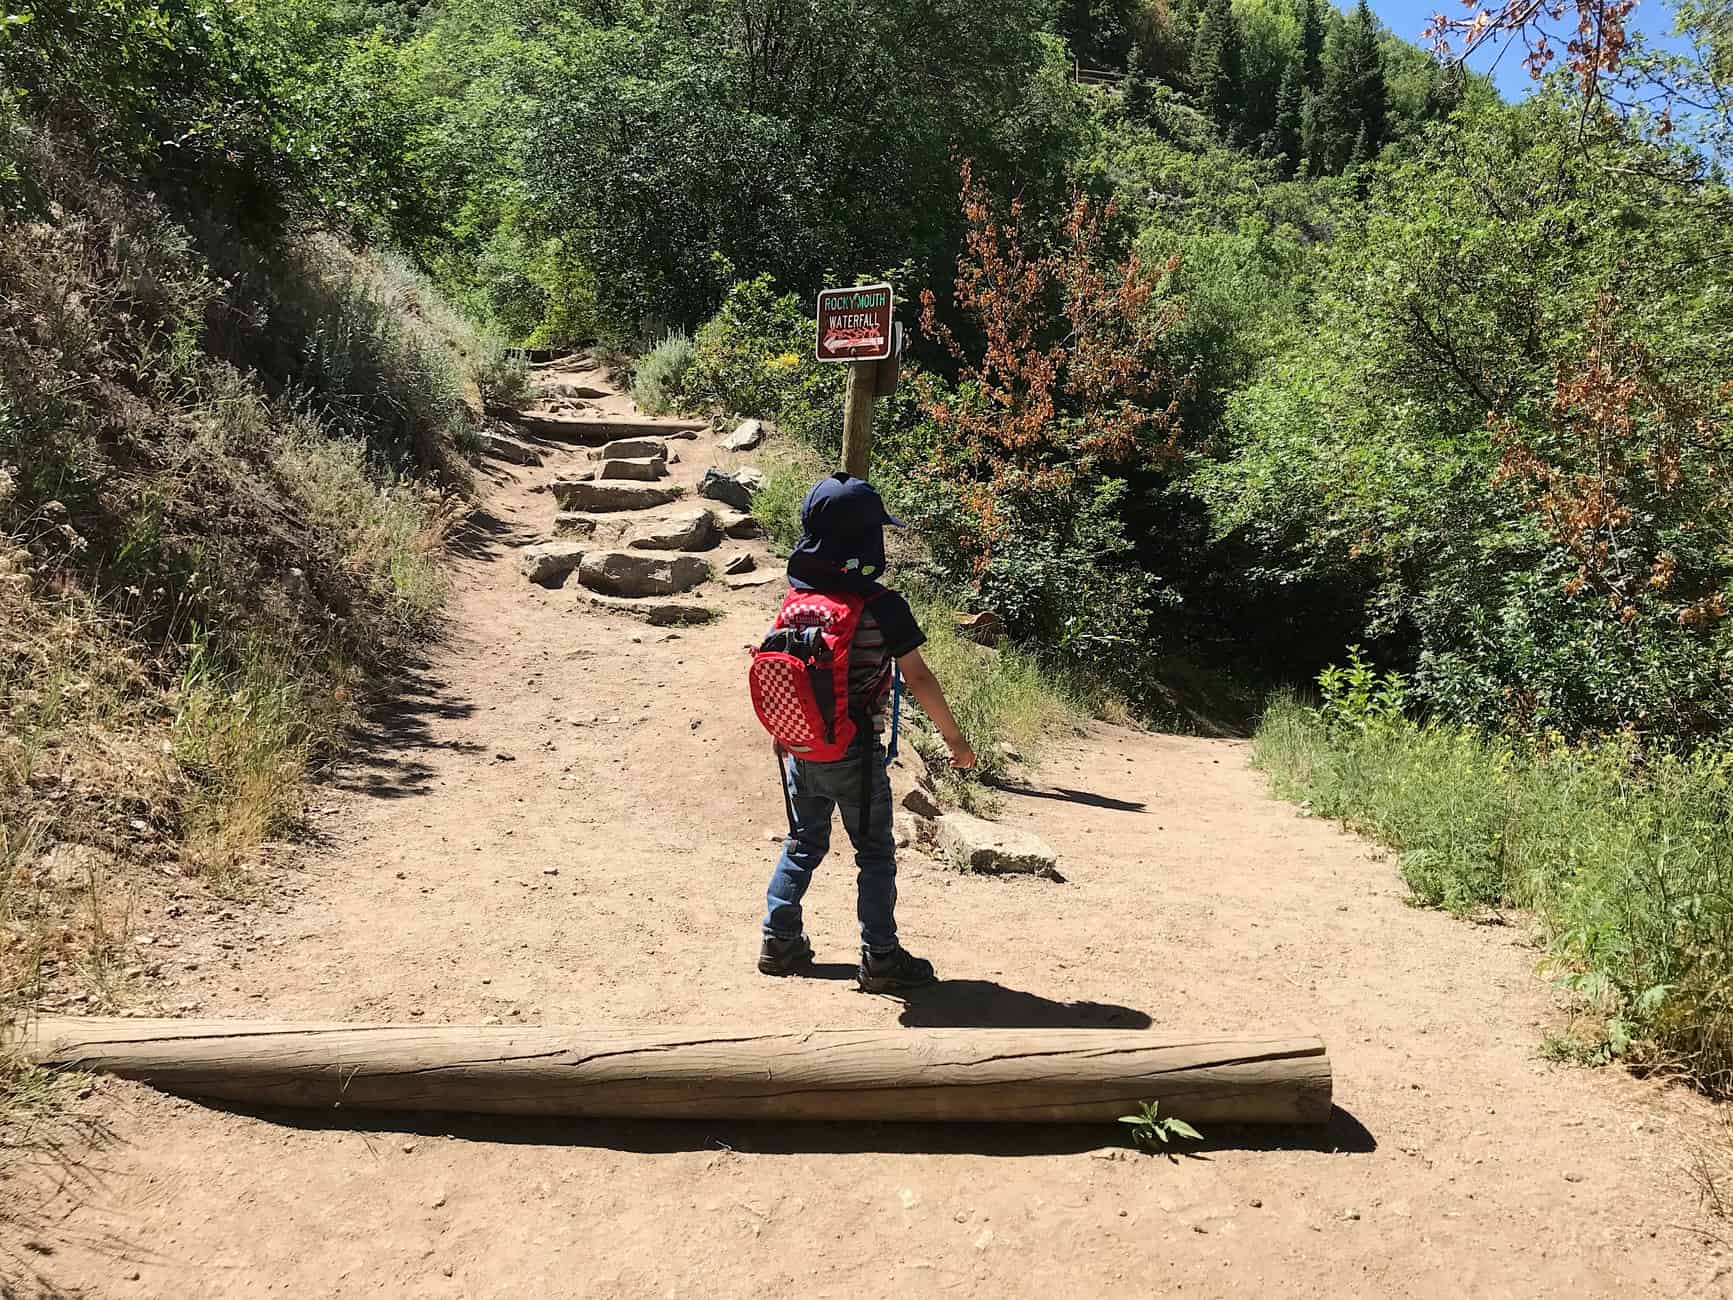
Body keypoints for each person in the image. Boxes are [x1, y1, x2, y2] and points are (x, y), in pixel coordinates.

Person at [758, 471, 976, 992]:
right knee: (874, 853)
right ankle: (880, 956)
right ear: (867, 539)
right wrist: (955, 741)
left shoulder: (797, 601)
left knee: (804, 841)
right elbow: (918, 678)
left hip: (800, 745)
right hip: (854, 750)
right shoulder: (882, 606)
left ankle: (778, 939)